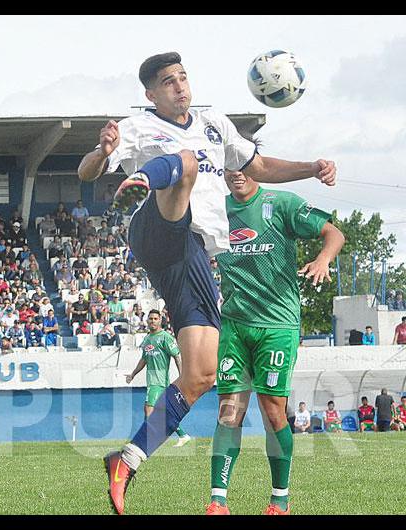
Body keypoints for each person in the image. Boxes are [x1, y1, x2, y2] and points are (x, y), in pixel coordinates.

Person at [79, 52, 336, 516]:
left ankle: (127, 460)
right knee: (183, 161)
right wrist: (102, 152)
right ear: (150, 94)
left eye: (182, 77)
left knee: (200, 374)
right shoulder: (135, 127)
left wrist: (311, 168)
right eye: (167, 81)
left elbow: (257, 167)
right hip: (157, 228)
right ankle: (142, 178)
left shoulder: (215, 123)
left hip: (190, 257)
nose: (179, 86)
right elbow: (86, 171)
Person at [205, 169, 344, 515]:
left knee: (272, 412)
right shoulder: (214, 210)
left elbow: (334, 233)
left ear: (256, 166)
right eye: (228, 165)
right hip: (235, 325)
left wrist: (323, 258)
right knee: (228, 413)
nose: (236, 173)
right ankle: (218, 501)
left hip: (277, 325)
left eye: (243, 164)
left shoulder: (281, 203)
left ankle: (279, 499)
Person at [125, 309, 190, 447]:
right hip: (152, 380)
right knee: (162, 411)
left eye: (155, 318)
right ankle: (182, 435)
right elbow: (144, 359)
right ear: (147, 320)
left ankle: (145, 441)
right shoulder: (147, 338)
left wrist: (182, 375)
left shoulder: (165, 337)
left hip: (158, 381)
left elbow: (177, 356)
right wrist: (133, 374)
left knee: (148, 409)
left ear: (160, 320)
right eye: (150, 319)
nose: (152, 321)